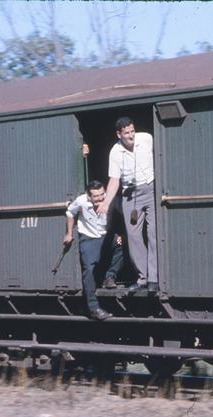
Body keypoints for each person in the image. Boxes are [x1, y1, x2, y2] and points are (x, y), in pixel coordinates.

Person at [97, 117, 158, 293]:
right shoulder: (115, 152)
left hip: (150, 189)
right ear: (119, 134)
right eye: (127, 133)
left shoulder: (146, 138)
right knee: (134, 237)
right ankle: (143, 278)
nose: (131, 136)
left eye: (132, 131)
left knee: (154, 233)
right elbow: (114, 180)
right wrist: (106, 203)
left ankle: (154, 278)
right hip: (130, 195)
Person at [64, 180, 123, 320]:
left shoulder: (111, 199)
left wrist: (120, 234)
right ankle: (93, 308)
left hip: (106, 235)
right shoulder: (81, 201)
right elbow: (70, 213)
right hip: (89, 237)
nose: (100, 198)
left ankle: (110, 276)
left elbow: (122, 215)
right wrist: (69, 233)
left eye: (102, 194)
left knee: (120, 246)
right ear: (89, 196)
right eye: (96, 196)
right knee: (89, 270)